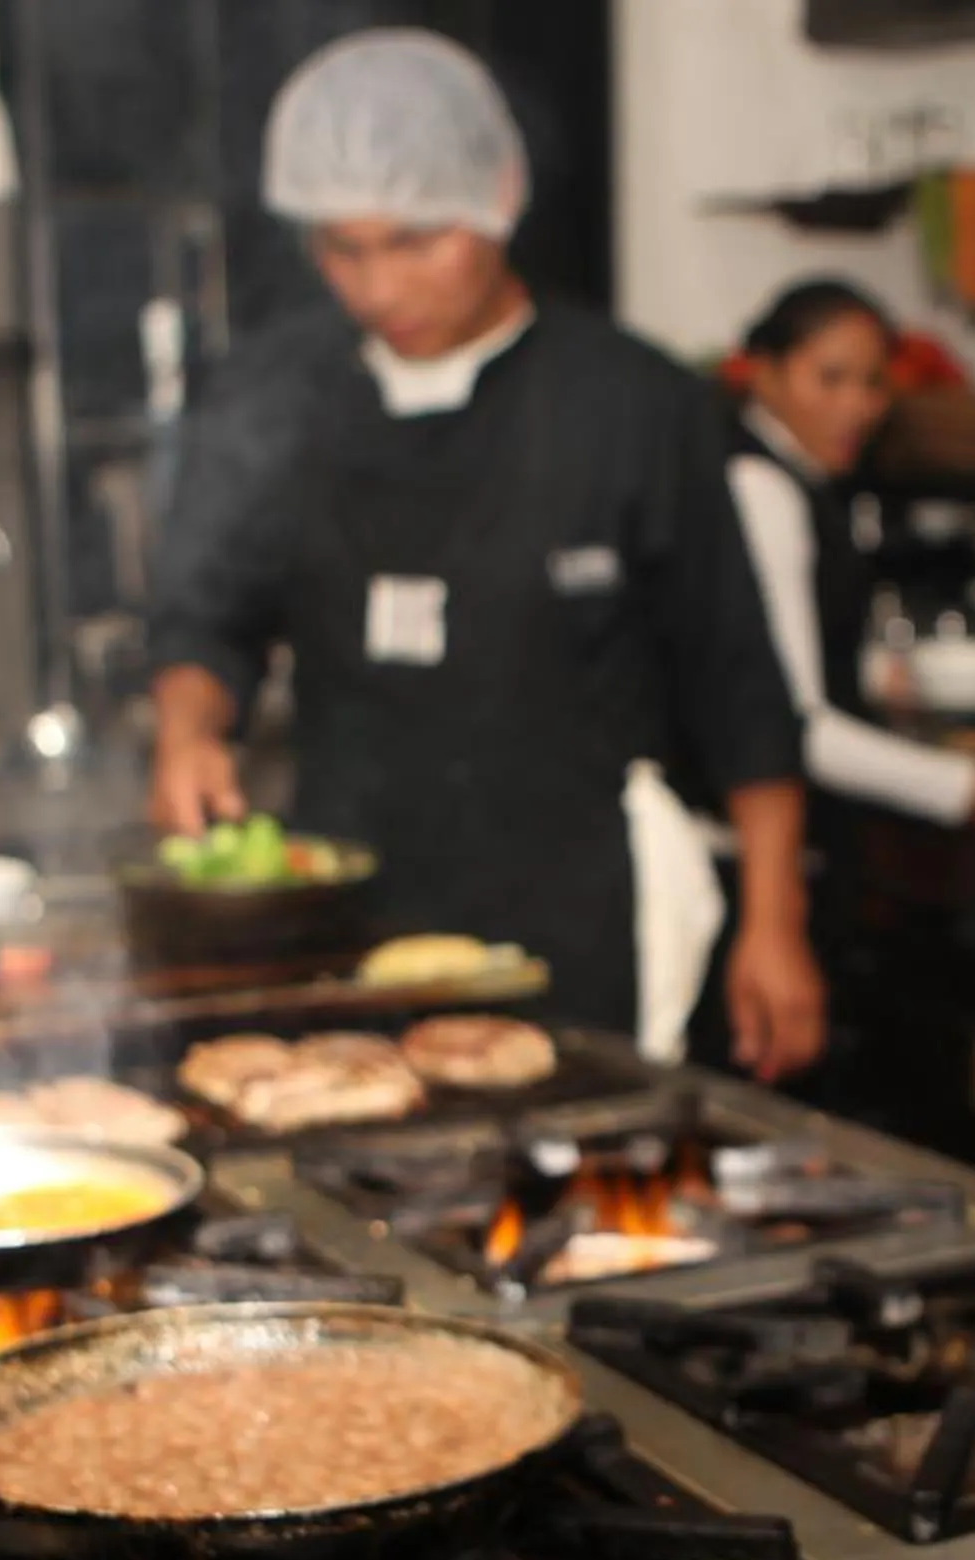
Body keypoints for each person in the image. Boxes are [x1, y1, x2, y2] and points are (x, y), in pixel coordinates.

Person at [145, 29, 824, 1079]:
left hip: (574, 912)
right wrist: (188, 728)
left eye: (414, 243)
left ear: (499, 197)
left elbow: (741, 688)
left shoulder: (634, 405)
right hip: (345, 915)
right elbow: (208, 617)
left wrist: (774, 924)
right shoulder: (279, 396)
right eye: (342, 250)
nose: (377, 287)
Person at [725, 279, 975, 832]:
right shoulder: (762, 489)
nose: (859, 406)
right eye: (830, 379)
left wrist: (876, 674)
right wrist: (972, 791)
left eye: (873, 383)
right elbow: (796, 728)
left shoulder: (803, 480)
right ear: (764, 374)